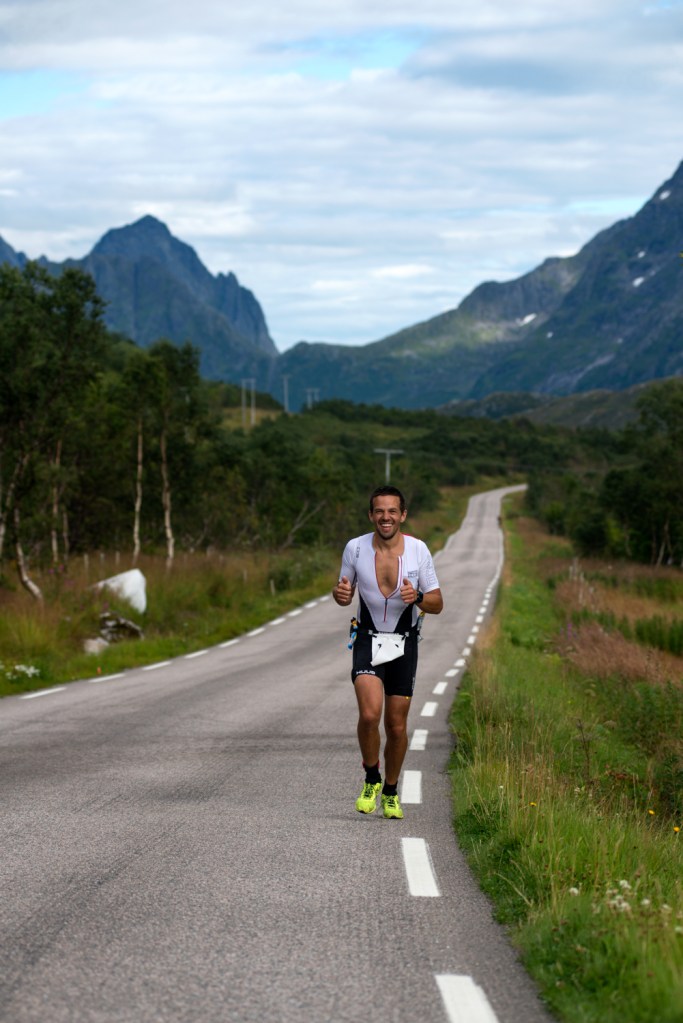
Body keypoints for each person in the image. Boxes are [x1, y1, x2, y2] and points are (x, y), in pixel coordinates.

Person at [332, 485, 443, 819]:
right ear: (371, 515)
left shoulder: (418, 550)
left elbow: (437, 603)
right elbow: (343, 593)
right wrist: (340, 595)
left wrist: (418, 598)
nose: (385, 517)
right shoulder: (355, 548)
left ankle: (391, 791)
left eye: (392, 511)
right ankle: (371, 777)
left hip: (404, 641)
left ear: (403, 515)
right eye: (379, 511)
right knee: (369, 715)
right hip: (367, 637)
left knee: (396, 726)